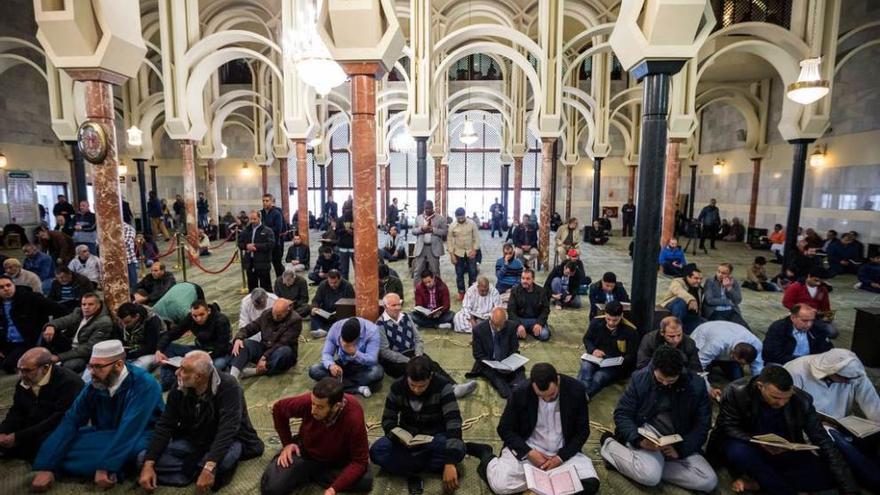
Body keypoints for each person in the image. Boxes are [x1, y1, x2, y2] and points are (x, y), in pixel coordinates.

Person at [30, 340, 164, 492]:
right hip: (105, 433)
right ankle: (110, 464)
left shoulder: (144, 384)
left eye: (98, 367)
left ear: (118, 365)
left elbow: (130, 428)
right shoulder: (94, 385)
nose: (92, 372)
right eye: (90, 366)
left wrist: (106, 465)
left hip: (142, 433)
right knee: (51, 439)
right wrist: (46, 467)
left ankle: (111, 464)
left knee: (136, 452)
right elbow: (71, 420)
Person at [708, 366, 858, 495]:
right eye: (776, 397)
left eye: (787, 397)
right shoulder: (737, 392)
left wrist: (848, 488)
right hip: (747, 442)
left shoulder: (802, 400)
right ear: (761, 386)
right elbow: (727, 426)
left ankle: (760, 484)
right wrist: (759, 443)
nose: (782, 403)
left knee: (828, 475)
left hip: (785, 447)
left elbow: (821, 439)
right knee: (738, 452)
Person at [138, 351, 264, 491]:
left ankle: (196, 470)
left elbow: (227, 430)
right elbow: (166, 424)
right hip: (195, 440)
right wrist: (149, 464)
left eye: (183, 370)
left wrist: (210, 466)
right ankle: (197, 471)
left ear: (198, 377)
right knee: (142, 459)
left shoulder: (229, 386)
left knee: (224, 460)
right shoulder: (180, 386)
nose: (177, 373)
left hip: (229, 441)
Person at [467, 363, 600, 495]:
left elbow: (583, 431)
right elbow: (504, 429)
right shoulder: (520, 392)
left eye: (552, 395)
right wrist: (529, 452)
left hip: (563, 452)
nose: (547, 400)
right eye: (542, 396)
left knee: (590, 483)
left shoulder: (576, 390)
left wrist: (560, 457)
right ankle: (485, 454)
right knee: (500, 486)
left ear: (557, 380)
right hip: (530, 451)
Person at [600, 347, 718, 493]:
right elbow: (622, 413)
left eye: (671, 381)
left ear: (680, 372)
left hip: (678, 437)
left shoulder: (696, 385)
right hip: (648, 432)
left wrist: (681, 450)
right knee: (650, 477)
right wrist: (638, 439)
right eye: (660, 379)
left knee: (708, 481)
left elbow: (702, 425)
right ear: (654, 368)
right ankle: (609, 444)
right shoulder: (640, 378)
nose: (665, 384)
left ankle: (644, 465)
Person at [785, 349, 880, 492]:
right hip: (809, 427)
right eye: (845, 379)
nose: (849, 382)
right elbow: (787, 409)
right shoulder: (795, 371)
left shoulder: (854, 374)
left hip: (843, 422)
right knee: (841, 445)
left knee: (872, 435)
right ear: (831, 373)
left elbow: (872, 403)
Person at [370, 355, 467, 493]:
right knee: (376, 452)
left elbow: (453, 422)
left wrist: (450, 461)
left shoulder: (443, 386)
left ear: (430, 377)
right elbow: (388, 420)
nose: (416, 390)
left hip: (434, 437)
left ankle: (409, 468)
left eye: (422, 386)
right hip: (405, 439)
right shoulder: (397, 387)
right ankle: (428, 466)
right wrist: (398, 436)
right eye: (412, 385)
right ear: (407, 377)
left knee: (459, 448)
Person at [261, 378, 372, 495]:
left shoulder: (353, 416)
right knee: (273, 488)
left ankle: (307, 474)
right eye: (313, 404)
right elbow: (279, 408)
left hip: (337, 459)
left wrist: (333, 489)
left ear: (336, 406)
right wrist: (287, 444)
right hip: (307, 453)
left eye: (320, 407)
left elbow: (360, 461)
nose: (313, 410)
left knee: (365, 481)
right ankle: (307, 472)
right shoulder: (309, 401)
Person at [376, 293, 475, 396]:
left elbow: (418, 339)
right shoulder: (380, 325)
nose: (397, 308)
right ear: (385, 307)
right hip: (395, 360)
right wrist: (408, 360)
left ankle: (454, 387)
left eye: (399, 304)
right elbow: (385, 352)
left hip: (413, 353)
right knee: (419, 371)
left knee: (433, 365)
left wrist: (418, 354)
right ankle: (446, 392)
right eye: (393, 305)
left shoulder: (406, 317)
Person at [0, 347, 83, 461]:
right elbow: (17, 410)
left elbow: (60, 418)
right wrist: (4, 431)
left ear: (45, 368)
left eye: (27, 370)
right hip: (34, 424)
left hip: (59, 426)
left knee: (43, 444)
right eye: (19, 370)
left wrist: (19, 437)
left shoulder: (68, 382)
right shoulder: (25, 381)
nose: (21, 375)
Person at [155, 300, 232, 391]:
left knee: (216, 365)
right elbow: (173, 333)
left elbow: (222, 346)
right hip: (200, 349)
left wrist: (202, 359)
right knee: (168, 347)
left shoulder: (221, 320)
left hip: (218, 353)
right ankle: (169, 380)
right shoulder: (190, 318)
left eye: (201, 315)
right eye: (195, 316)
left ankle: (187, 375)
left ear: (208, 311)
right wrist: (158, 350)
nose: (198, 319)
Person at [0, 276, 67, 373]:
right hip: (8, 342)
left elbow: (60, 310)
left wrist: (51, 325)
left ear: (14, 285)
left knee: (9, 366)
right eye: (1, 287)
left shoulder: (30, 297)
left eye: (8, 285)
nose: (6, 289)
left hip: (28, 341)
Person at [308, 317, 384, 397]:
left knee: (377, 372)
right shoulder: (336, 327)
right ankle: (356, 388)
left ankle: (336, 385)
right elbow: (326, 353)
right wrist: (331, 365)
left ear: (357, 339)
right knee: (314, 370)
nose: (344, 344)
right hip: (342, 364)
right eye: (342, 340)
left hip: (362, 366)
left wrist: (355, 353)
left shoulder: (372, 331)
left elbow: (372, 360)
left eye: (348, 343)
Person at [41, 293, 114, 373]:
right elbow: (64, 320)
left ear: (98, 305)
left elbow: (88, 349)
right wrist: (51, 326)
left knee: (71, 365)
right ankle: (42, 357)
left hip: (85, 355)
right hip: (70, 345)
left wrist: (59, 357)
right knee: (47, 332)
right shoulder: (79, 312)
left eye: (90, 304)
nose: (86, 307)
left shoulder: (104, 322)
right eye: (84, 304)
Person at [579, 301, 639, 398]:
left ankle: (586, 395)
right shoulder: (596, 322)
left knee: (599, 377)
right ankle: (579, 392)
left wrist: (619, 360)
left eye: (615, 320)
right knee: (585, 368)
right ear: (605, 314)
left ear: (621, 316)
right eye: (608, 319)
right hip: (595, 357)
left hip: (614, 365)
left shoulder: (630, 331)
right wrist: (593, 350)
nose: (611, 323)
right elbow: (587, 339)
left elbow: (632, 355)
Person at [230, 298, 300, 380]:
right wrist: (239, 338)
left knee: (285, 352)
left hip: (280, 351)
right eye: (274, 314)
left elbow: (283, 342)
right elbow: (251, 327)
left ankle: (258, 371)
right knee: (243, 344)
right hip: (264, 346)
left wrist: (264, 357)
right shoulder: (267, 314)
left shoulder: (295, 320)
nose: (275, 317)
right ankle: (233, 376)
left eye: (279, 315)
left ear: (287, 311)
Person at [691, 321, 764, 400]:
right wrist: (709, 389)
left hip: (725, 344)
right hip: (703, 339)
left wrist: (760, 388)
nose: (743, 366)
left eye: (744, 364)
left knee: (738, 378)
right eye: (741, 363)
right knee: (698, 380)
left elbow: (758, 368)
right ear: (732, 354)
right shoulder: (716, 344)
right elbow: (698, 365)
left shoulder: (757, 344)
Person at [465, 307, 525, 399]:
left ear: (505, 321)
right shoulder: (479, 330)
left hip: (506, 361)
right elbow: (478, 354)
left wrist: (509, 362)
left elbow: (514, 348)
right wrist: (493, 364)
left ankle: (518, 388)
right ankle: (511, 395)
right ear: (490, 320)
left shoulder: (511, 327)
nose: (498, 329)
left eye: (501, 325)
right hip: (488, 363)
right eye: (495, 325)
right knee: (496, 378)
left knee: (519, 370)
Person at [763, 304, 834, 366]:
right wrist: (801, 360)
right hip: (783, 364)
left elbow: (827, 349)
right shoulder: (779, 328)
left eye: (812, 320)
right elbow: (771, 355)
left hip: (811, 364)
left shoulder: (816, 327)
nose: (809, 324)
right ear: (793, 318)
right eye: (804, 321)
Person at [637, 316, 702, 371]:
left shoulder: (689, 342)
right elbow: (642, 365)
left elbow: (696, 367)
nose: (676, 340)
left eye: (679, 335)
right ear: (662, 333)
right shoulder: (650, 340)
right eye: (671, 336)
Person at [115, 302, 164, 371]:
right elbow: (118, 338)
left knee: (137, 367)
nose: (124, 325)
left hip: (154, 351)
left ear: (137, 317)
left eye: (127, 322)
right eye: (122, 322)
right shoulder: (122, 322)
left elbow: (151, 347)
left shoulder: (152, 322)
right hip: (131, 350)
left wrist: (128, 355)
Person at [508, 268, 551, 341]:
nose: (524, 281)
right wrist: (518, 325)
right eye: (523, 278)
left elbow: (546, 310)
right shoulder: (515, 291)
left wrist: (539, 323)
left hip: (535, 320)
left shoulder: (541, 291)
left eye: (528, 279)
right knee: (509, 334)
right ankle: (526, 331)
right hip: (520, 319)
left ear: (533, 279)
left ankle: (531, 330)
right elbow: (511, 311)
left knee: (544, 335)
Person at [310, 269, 355, 338]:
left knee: (345, 321)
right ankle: (319, 329)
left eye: (335, 282)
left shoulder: (347, 286)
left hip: (340, 314)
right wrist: (314, 308)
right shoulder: (323, 285)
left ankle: (326, 331)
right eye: (330, 283)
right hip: (326, 312)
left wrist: (341, 312)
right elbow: (316, 300)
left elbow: (351, 304)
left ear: (340, 279)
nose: (333, 285)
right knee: (314, 314)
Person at [659, 265, 704, 334]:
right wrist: (690, 299)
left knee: (706, 324)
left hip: (689, 317)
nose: (699, 281)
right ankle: (675, 328)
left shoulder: (699, 289)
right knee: (681, 301)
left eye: (700, 279)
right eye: (696, 278)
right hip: (673, 309)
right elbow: (678, 290)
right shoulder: (678, 282)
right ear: (688, 277)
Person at [702, 262, 749, 328]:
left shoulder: (734, 281)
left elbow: (738, 300)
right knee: (725, 328)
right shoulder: (710, 281)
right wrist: (728, 302)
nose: (720, 275)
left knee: (743, 328)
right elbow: (709, 300)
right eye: (718, 272)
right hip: (715, 311)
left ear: (729, 274)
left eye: (723, 273)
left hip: (731, 310)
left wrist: (729, 288)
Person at [238, 210, 275, 292]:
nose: (252, 221)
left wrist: (256, 247)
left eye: (254, 219)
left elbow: (270, 244)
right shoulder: (246, 230)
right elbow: (239, 243)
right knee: (252, 287)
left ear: (259, 218)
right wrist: (246, 246)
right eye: (251, 219)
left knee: (266, 287)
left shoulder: (267, 230)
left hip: (263, 263)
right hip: (250, 263)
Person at [411, 200, 448, 282]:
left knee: (435, 271)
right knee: (417, 271)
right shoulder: (418, 218)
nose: (427, 210)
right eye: (426, 208)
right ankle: (418, 291)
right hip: (421, 248)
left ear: (432, 208)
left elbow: (445, 232)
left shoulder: (440, 218)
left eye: (429, 208)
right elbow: (413, 231)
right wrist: (421, 229)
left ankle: (437, 291)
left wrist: (433, 230)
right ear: (424, 208)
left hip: (434, 248)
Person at [447, 207, 480, 298]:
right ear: (456, 217)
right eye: (459, 218)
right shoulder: (452, 226)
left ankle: (472, 291)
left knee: (473, 272)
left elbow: (476, 237)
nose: (461, 219)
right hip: (458, 253)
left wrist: (474, 250)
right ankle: (461, 292)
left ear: (465, 215)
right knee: (459, 273)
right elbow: (449, 241)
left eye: (462, 217)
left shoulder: (472, 223)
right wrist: (452, 255)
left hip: (470, 252)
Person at [335, 211, 355, 279]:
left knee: (358, 269)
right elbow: (337, 232)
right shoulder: (340, 219)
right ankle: (345, 287)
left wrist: (353, 232)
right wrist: (345, 230)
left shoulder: (357, 218)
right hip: (343, 247)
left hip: (354, 247)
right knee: (344, 270)